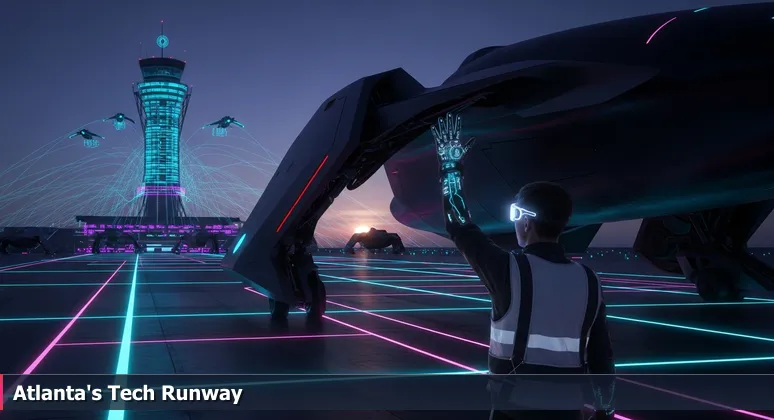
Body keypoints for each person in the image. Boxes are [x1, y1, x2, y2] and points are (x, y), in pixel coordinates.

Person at [430, 112, 615, 420]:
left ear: (525, 220)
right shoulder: (589, 280)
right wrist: (604, 409)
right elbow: (601, 356)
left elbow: (460, 225)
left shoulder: (509, 269)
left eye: (515, 212)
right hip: (567, 411)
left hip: (513, 410)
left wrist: (450, 167)